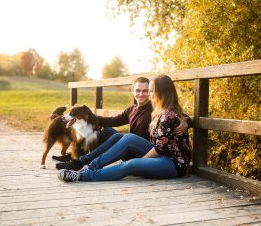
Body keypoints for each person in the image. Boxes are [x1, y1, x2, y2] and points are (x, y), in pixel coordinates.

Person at [57, 74, 192, 182]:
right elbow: (112, 120)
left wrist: (186, 121)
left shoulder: (167, 114)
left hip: (173, 163)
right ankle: (87, 167)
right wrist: (86, 116)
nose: (148, 94)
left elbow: (161, 146)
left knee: (131, 164)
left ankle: (82, 176)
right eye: (140, 90)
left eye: (150, 91)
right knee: (126, 137)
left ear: (161, 93)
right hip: (158, 152)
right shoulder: (158, 110)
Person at [54, 76, 153, 171]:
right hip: (128, 149)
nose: (141, 94)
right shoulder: (132, 109)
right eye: (138, 90)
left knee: (119, 136)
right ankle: (78, 156)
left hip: (144, 154)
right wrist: (87, 116)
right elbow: (112, 121)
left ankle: (81, 162)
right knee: (105, 130)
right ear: (133, 91)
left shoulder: (154, 110)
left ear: (150, 92)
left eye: (145, 91)